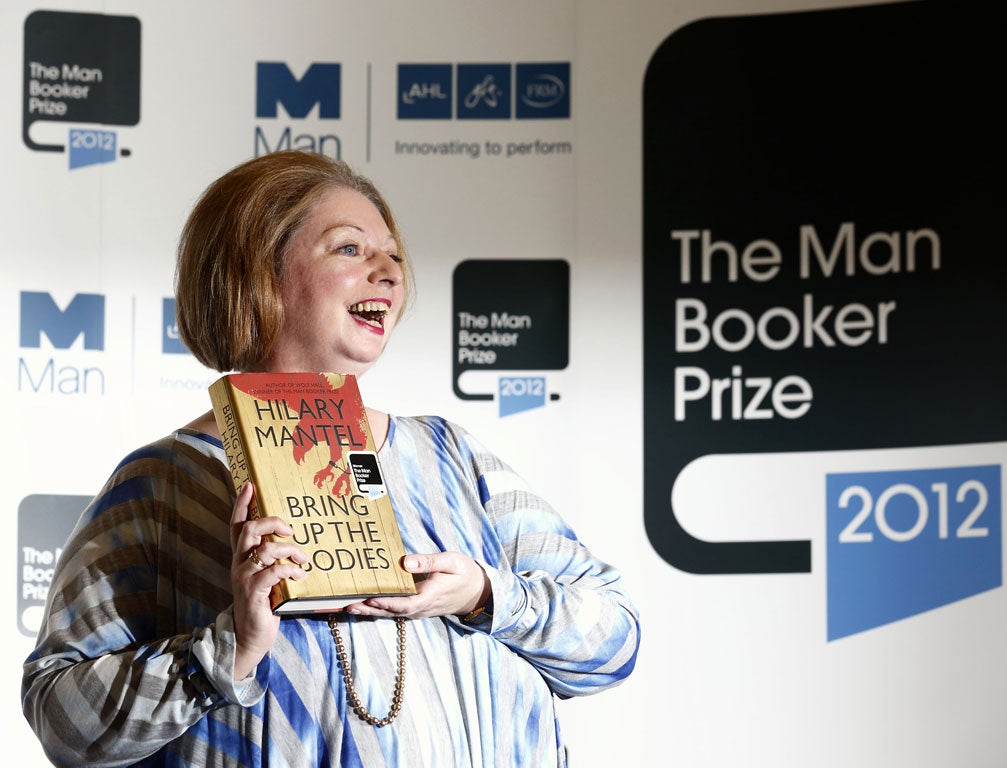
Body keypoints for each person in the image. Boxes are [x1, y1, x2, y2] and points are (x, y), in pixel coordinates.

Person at [22, 150, 640, 767]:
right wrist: (227, 649)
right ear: (258, 271)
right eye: (350, 249)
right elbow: (62, 720)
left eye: (394, 254)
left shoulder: (448, 457)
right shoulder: (163, 484)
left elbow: (613, 640)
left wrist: (482, 595)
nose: (390, 273)